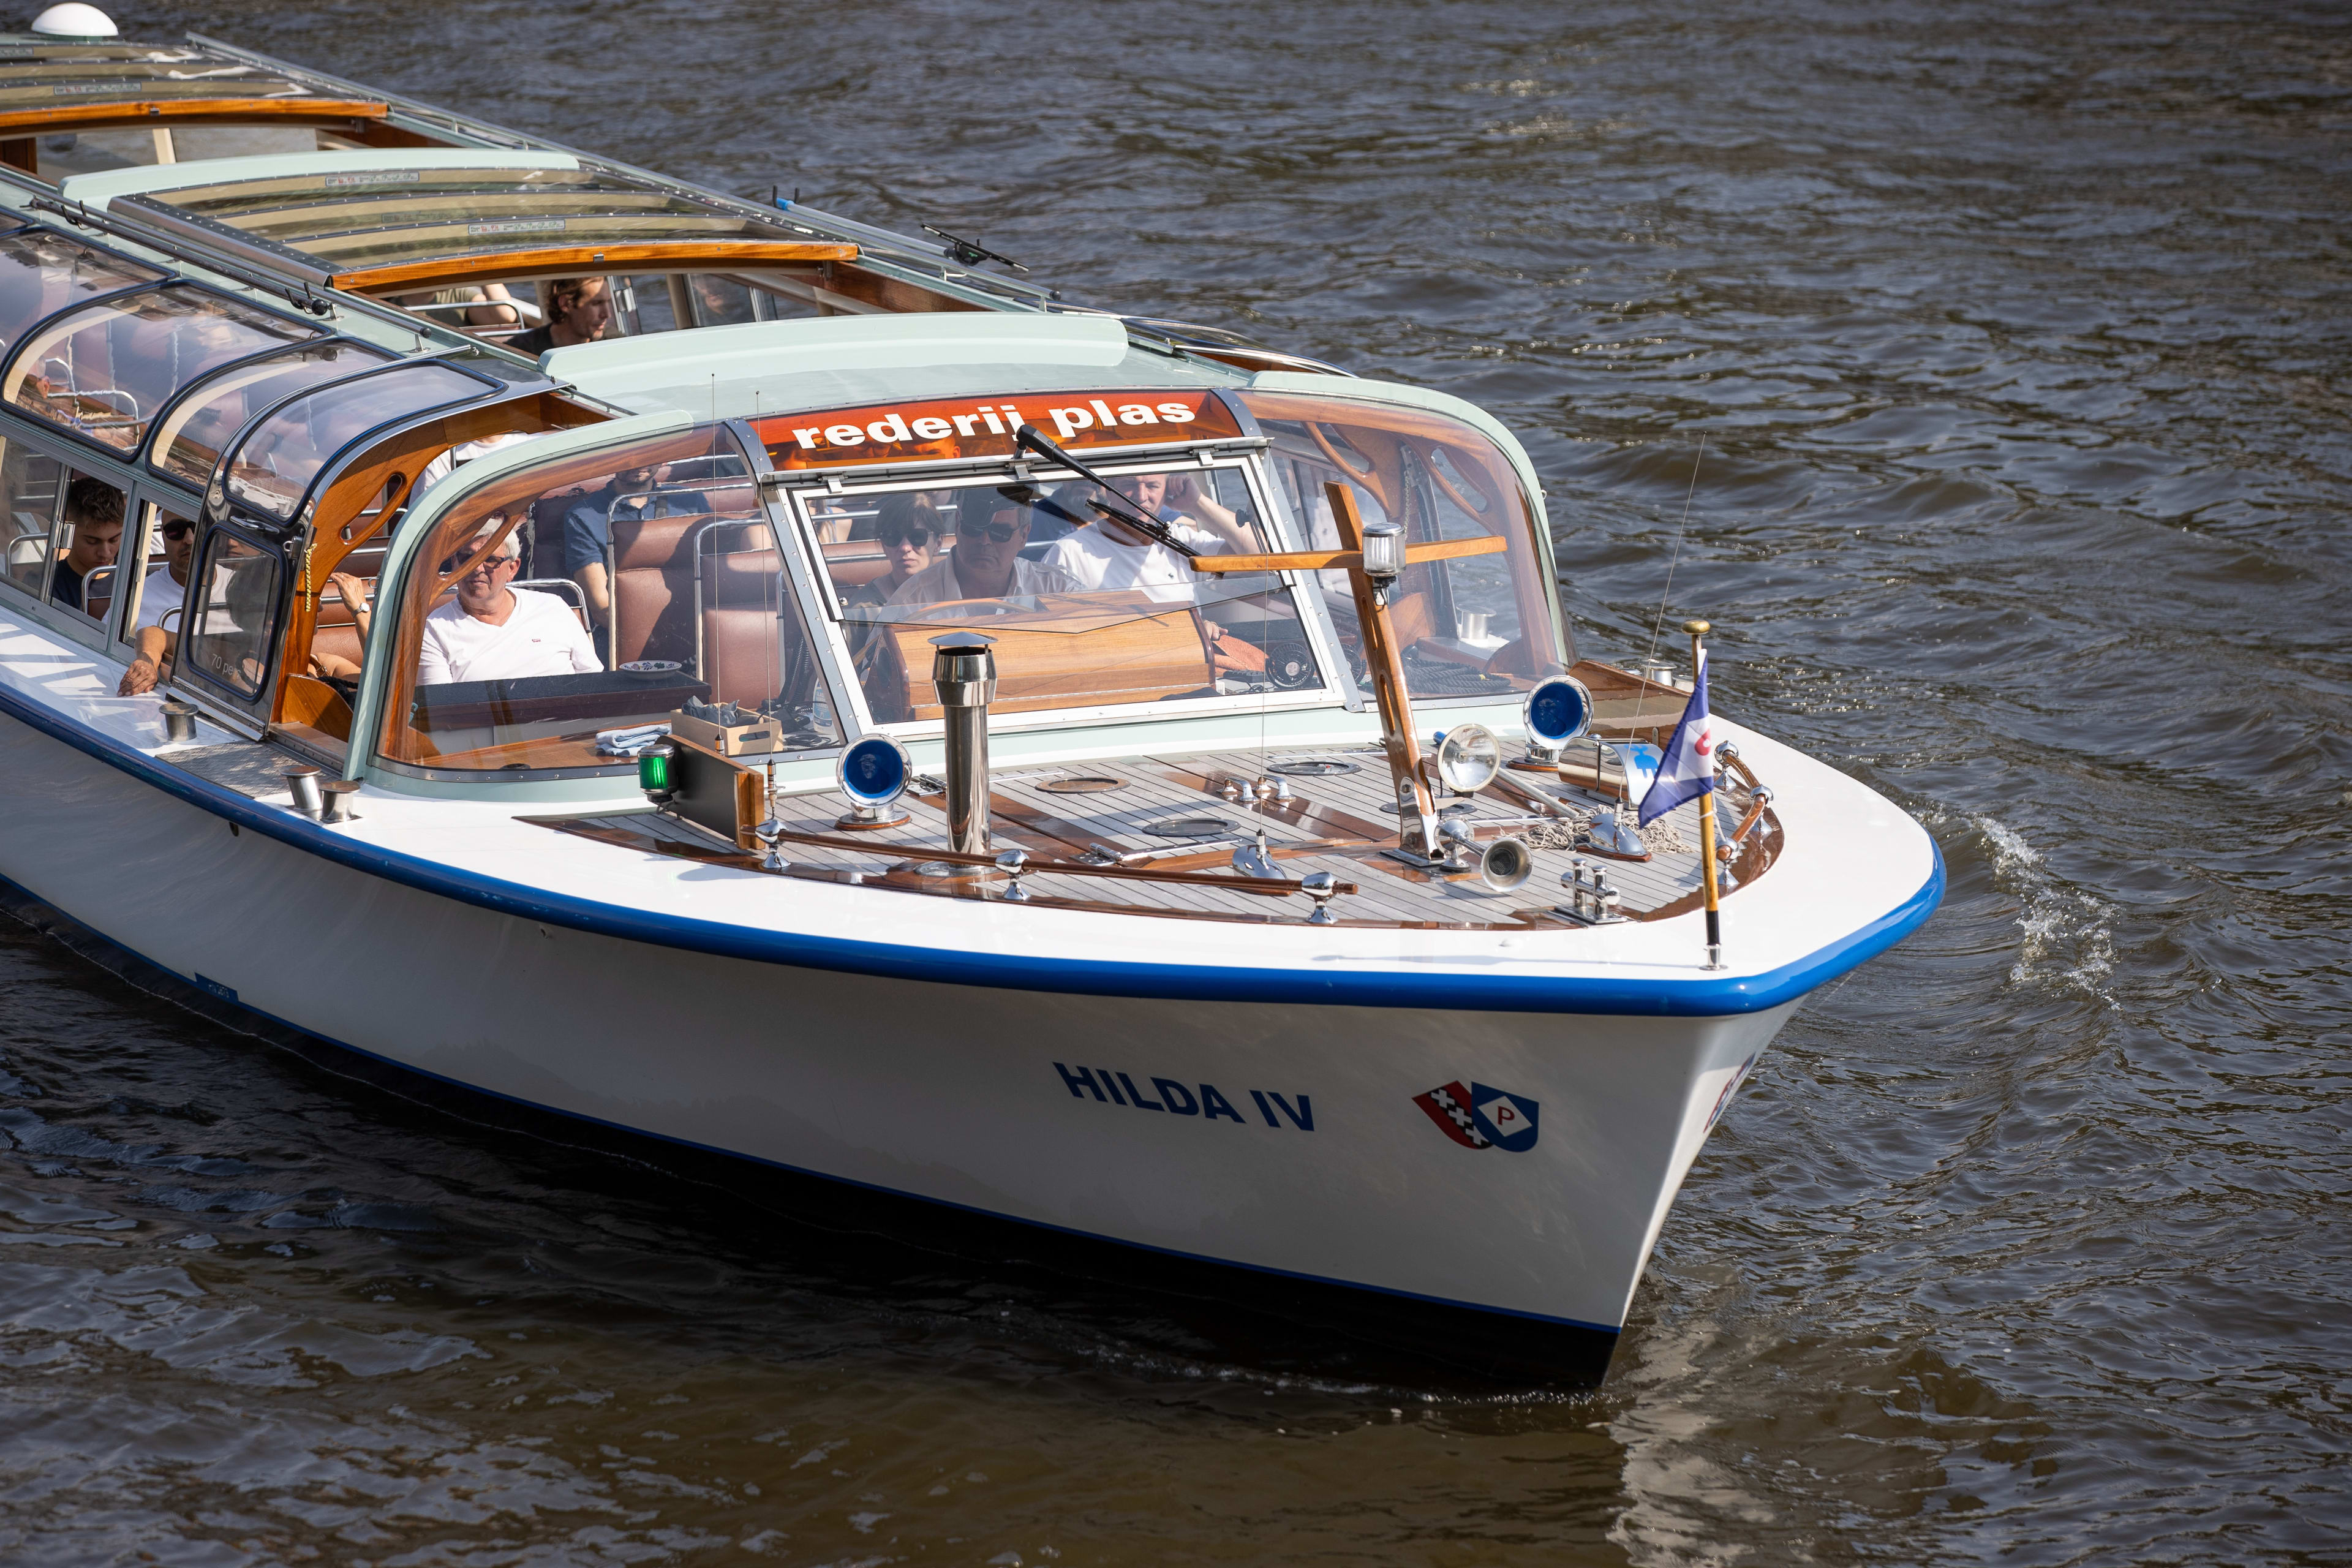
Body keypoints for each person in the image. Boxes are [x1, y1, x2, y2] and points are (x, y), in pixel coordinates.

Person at [419, 522, 601, 685]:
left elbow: (593, 682)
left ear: (512, 569)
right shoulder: (434, 631)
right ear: (454, 563)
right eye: (467, 558)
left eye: (490, 559)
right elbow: (441, 708)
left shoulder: (553, 608)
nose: (477, 568)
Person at [1041, 470, 1254, 594]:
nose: (1141, 496)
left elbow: (1261, 558)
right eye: (1129, 485)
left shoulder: (1183, 541)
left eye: (1152, 486)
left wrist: (1197, 503)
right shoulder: (1069, 552)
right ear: (1108, 489)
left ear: (1166, 492)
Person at [562, 462, 711, 629]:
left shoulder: (689, 500)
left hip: (696, 624)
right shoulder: (583, 516)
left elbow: (715, 575)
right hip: (628, 630)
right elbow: (602, 608)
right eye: (626, 456)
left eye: (648, 454)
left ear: (662, 460)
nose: (638, 462)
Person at [887, 493, 1079, 606]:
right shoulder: (911, 601)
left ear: (1024, 536)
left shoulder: (1059, 591)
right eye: (974, 528)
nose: (985, 541)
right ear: (957, 525)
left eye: (999, 532)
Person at [841, 493, 938, 611]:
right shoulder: (864, 610)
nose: (905, 548)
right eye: (893, 537)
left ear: (938, 543)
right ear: (884, 546)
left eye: (917, 536)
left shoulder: (956, 592)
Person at [47, 476, 123, 615]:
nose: (105, 553)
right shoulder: (47, 585)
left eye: (114, 540)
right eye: (92, 542)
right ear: (68, 528)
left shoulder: (137, 580)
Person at [504, 277, 614, 356]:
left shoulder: (614, 342)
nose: (607, 314)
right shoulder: (521, 353)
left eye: (608, 302)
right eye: (597, 303)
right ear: (566, 304)